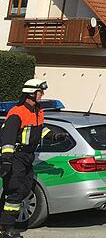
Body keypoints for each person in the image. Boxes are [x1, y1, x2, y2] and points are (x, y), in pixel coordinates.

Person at [0, 79, 50, 237]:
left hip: (28, 156)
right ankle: (6, 229)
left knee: (25, 188)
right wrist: (7, 160)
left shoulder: (38, 111)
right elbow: (7, 138)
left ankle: (4, 221)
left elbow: (39, 130)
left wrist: (54, 136)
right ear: (31, 93)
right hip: (17, 156)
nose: (42, 95)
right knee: (14, 191)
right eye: (40, 92)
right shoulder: (17, 112)